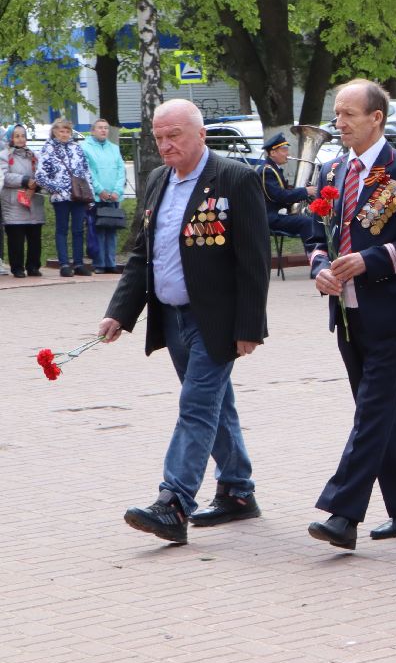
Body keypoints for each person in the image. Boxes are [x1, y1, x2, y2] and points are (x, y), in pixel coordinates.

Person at [99, 99, 271, 544]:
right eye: (159, 137)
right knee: (216, 405)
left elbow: (254, 260)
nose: (165, 145)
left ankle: (174, 502)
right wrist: (120, 312)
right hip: (171, 317)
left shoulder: (234, 178)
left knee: (195, 406)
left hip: (216, 319)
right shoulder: (159, 179)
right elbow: (144, 253)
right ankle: (237, 491)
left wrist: (249, 327)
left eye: (173, 135)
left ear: (201, 134)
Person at [304, 80, 396, 551]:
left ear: (376, 118)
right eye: (337, 114)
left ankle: (343, 512)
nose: (339, 123)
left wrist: (371, 260)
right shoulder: (333, 169)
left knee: (372, 410)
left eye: (348, 114)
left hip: (390, 310)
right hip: (346, 310)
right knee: (382, 410)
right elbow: (315, 233)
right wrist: (320, 266)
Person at [37, 117, 94, 276]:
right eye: (61, 131)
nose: (64, 134)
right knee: (62, 229)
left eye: (67, 131)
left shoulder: (77, 148)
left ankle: (78, 263)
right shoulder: (48, 149)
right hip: (61, 197)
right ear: (55, 132)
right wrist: (56, 189)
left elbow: (86, 171)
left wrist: (90, 194)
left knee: (78, 230)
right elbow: (40, 176)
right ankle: (64, 264)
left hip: (79, 196)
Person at [84, 119, 126, 273]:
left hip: (114, 197)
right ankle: (99, 263)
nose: (103, 130)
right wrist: (99, 190)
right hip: (97, 197)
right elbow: (88, 172)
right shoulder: (85, 148)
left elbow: (121, 171)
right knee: (98, 230)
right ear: (93, 130)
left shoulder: (114, 148)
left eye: (106, 128)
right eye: (100, 128)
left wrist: (117, 191)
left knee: (112, 229)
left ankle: (111, 262)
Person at [258, 133, 318, 242]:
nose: (288, 153)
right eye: (284, 150)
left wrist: (303, 192)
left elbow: (282, 192)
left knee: (315, 218)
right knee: (307, 222)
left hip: (277, 213)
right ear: (273, 152)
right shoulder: (267, 170)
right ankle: (313, 251)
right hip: (271, 217)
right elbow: (279, 195)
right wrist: (305, 191)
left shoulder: (273, 168)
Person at [2, 125, 44, 276]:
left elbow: (41, 173)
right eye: (17, 136)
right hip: (14, 202)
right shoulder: (5, 155)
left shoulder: (33, 155)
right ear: (11, 138)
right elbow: (4, 177)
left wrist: (36, 185)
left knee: (34, 237)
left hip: (33, 200)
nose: (20, 139)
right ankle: (17, 267)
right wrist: (25, 180)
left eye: (23, 136)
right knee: (16, 239)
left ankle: (33, 266)